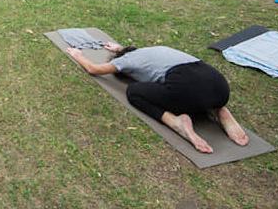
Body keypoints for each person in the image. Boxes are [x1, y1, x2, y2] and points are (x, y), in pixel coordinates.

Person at [66, 42, 249, 154]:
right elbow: (132, 53)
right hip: (220, 86)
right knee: (198, 92)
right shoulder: (158, 50)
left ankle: (175, 122)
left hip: (188, 91)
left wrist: (78, 55)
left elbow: (94, 69)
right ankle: (220, 109)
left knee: (134, 91)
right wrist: (118, 48)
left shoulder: (127, 60)